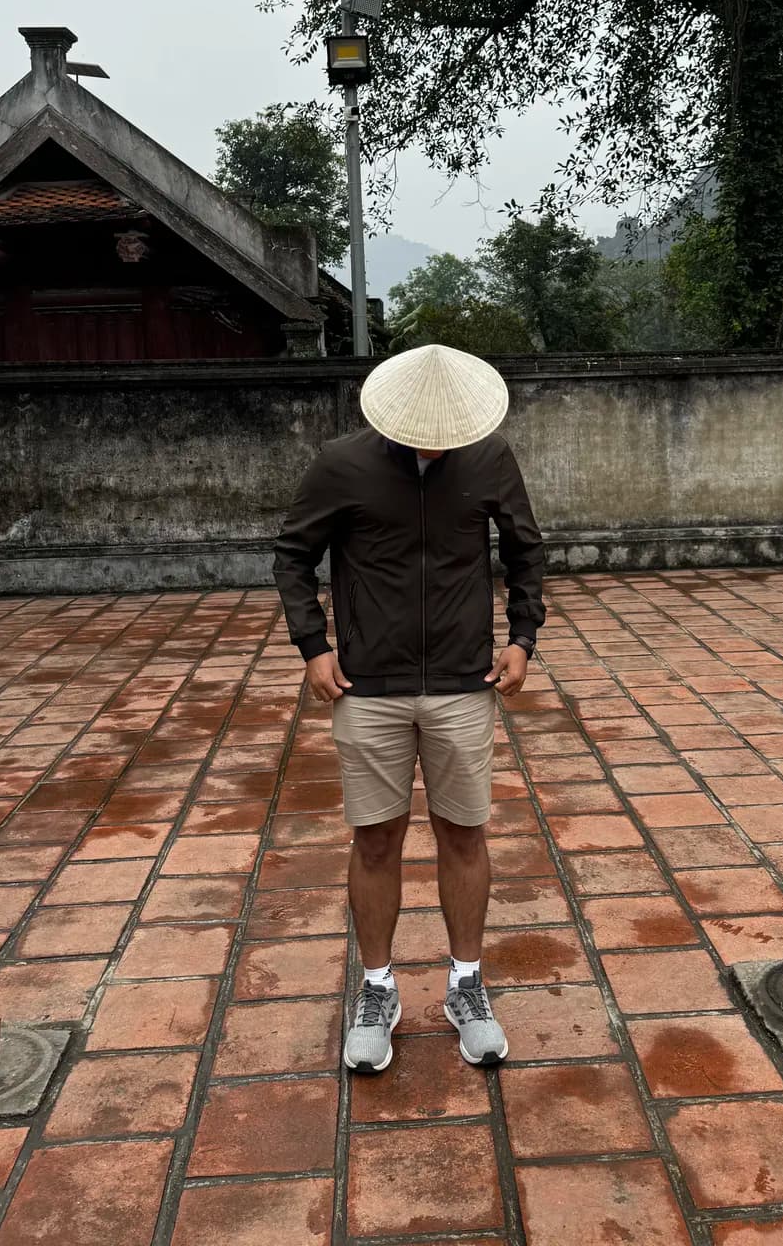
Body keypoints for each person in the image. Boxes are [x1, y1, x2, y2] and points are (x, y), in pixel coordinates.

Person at [273, 344, 545, 1073]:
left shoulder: (488, 459)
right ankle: (378, 987)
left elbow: (526, 552)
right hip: (368, 687)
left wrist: (523, 637)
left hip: (463, 680)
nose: (435, 438)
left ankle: (467, 984)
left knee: (464, 834)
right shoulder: (343, 463)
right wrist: (312, 645)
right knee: (374, 839)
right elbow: (292, 555)